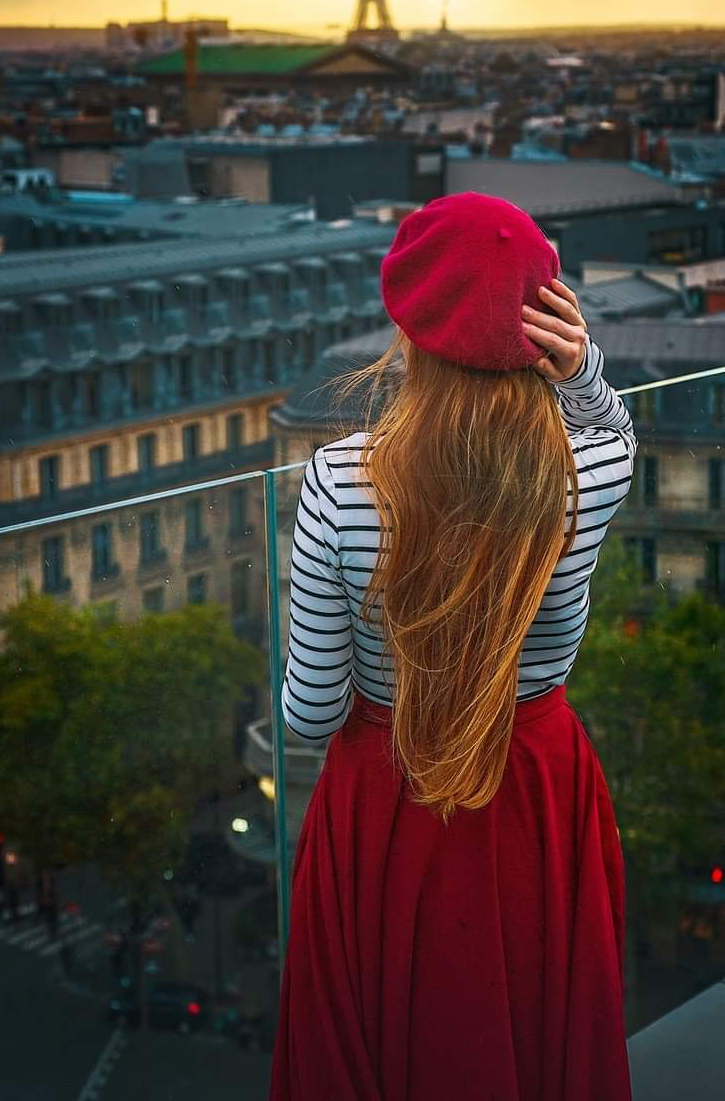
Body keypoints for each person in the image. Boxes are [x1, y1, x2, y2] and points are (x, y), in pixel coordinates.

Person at [268, 193, 637, 1100]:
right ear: (540, 321)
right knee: (532, 1028)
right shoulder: (594, 471)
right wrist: (582, 368)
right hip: (537, 781)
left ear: (409, 320)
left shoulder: (338, 481)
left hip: (387, 793)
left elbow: (310, 710)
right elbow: (611, 426)